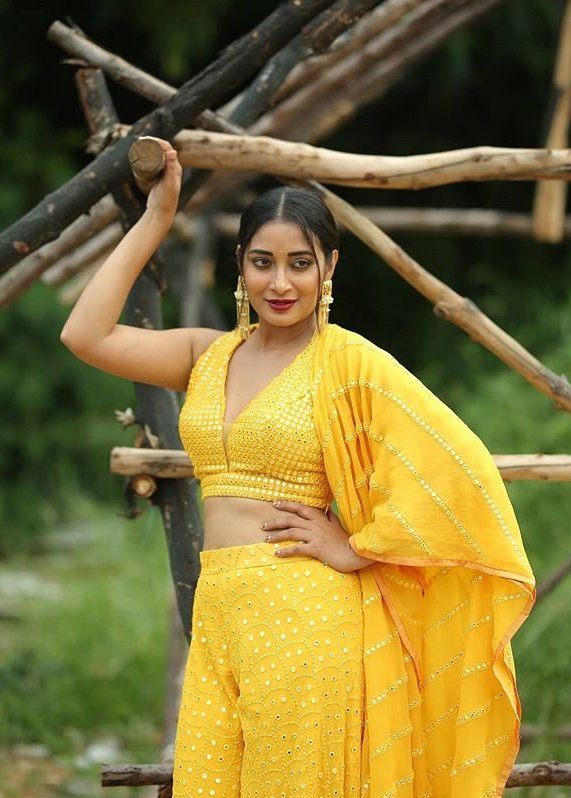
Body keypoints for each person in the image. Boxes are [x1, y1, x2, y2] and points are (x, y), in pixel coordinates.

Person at [60, 138, 535, 798]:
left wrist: (358, 548)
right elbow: (84, 334)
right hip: (219, 613)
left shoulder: (346, 363)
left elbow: (458, 469)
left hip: (305, 617)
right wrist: (157, 219)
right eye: (262, 262)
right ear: (240, 265)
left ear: (329, 267)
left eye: (299, 263)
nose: (279, 284)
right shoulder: (208, 355)